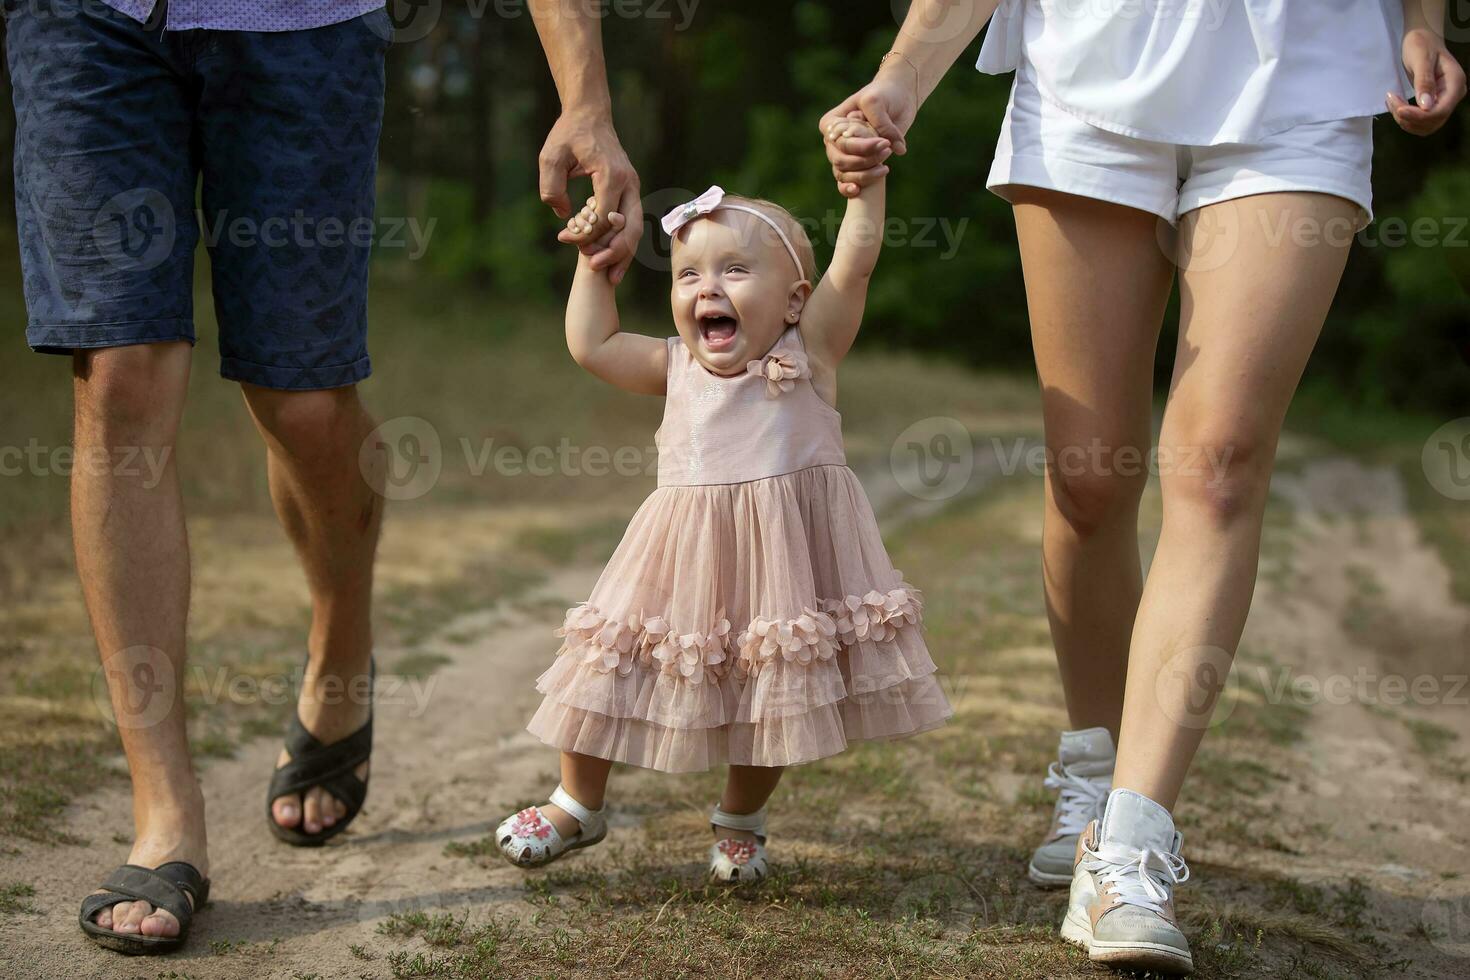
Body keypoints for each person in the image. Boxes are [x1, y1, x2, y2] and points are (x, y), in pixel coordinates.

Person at [819, 0, 1464, 973]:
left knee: (1218, 462)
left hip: (1303, 69)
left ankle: (1130, 838)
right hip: (1087, 68)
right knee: (1088, 475)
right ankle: (1092, 765)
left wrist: (1423, 18)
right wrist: (904, 71)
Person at [3, 0, 639, 954]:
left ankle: (341, 638)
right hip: (85, 24)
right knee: (120, 378)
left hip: (300, 26)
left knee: (303, 402)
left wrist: (584, 95)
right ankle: (165, 815)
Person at [492, 133, 953, 883]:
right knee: (605, 667)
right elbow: (591, 342)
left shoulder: (814, 351)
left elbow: (858, 257)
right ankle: (578, 801)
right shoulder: (672, 366)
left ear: (795, 299)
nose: (707, 288)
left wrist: (865, 186)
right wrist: (594, 266)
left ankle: (741, 818)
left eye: (736, 270)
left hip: (783, 566)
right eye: (688, 275)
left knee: (768, 695)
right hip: (677, 560)